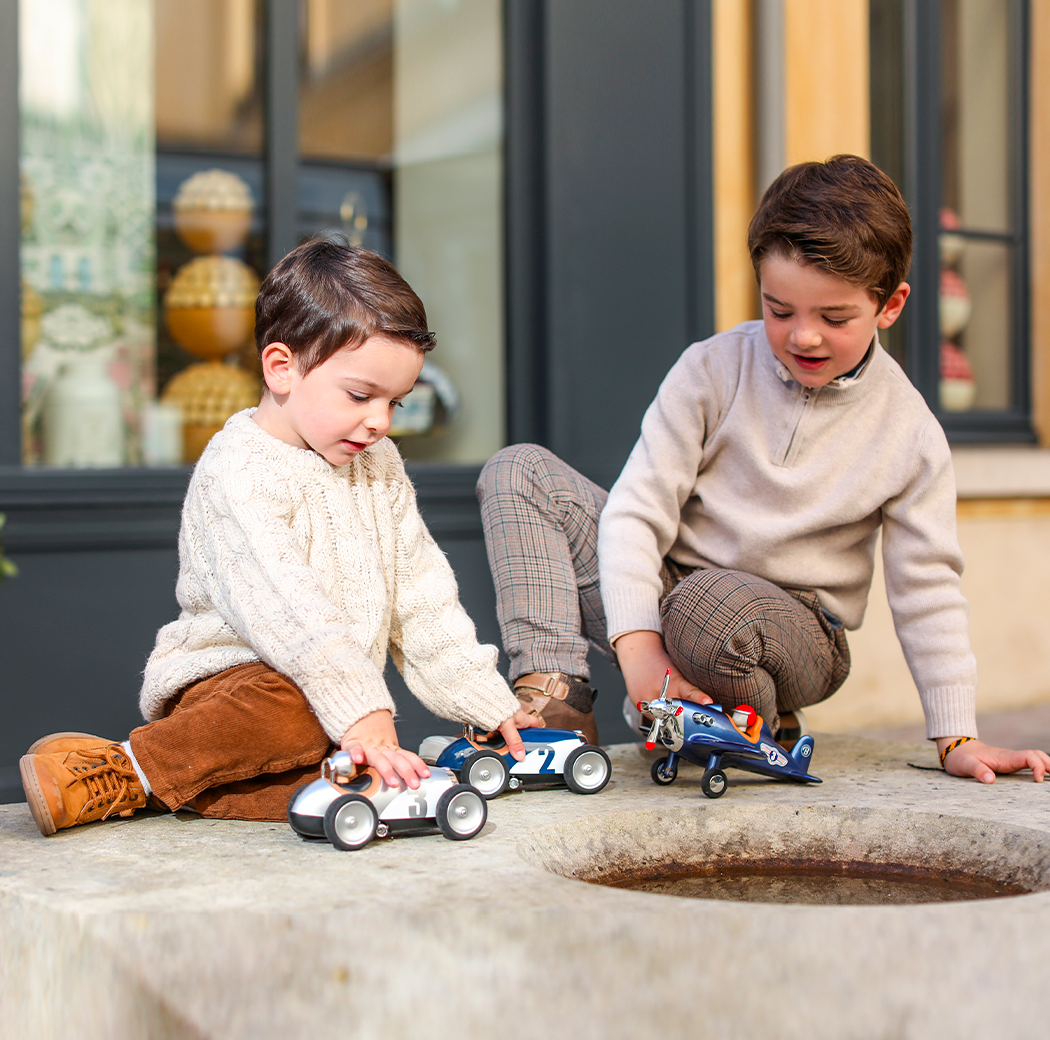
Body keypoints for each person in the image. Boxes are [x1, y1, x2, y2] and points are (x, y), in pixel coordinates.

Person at [478, 154, 1050, 784]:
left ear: (890, 306)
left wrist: (956, 735)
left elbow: (928, 589)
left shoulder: (911, 433)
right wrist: (639, 651)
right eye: (780, 310)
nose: (803, 336)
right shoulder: (711, 370)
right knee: (519, 472)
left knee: (707, 604)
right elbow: (636, 511)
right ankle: (556, 700)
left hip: (795, 630)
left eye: (833, 318)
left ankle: (757, 715)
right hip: (680, 594)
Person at [21, 237, 537, 836]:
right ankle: (124, 768)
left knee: (338, 779)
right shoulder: (239, 467)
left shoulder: (380, 463)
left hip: (329, 691)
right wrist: (365, 711)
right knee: (298, 709)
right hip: (239, 683)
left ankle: (190, 784)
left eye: (396, 402)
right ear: (282, 367)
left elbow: (422, 596)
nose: (379, 420)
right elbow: (289, 609)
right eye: (361, 395)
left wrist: (486, 701)